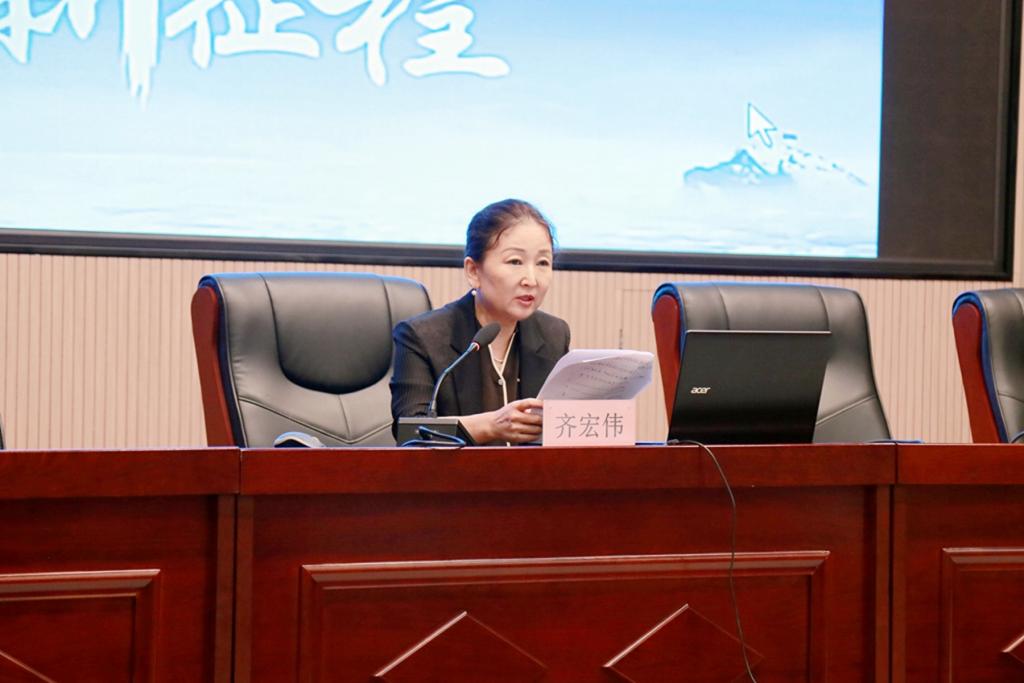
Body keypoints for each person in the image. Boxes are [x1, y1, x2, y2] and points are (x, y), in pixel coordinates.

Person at [390, 199, 571, 444]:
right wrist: (491, 426)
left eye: (543, 263)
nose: (531, 279)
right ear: (473, 271)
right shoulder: (422, 337)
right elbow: (410, 433)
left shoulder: (553, 334)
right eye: (515, 262)